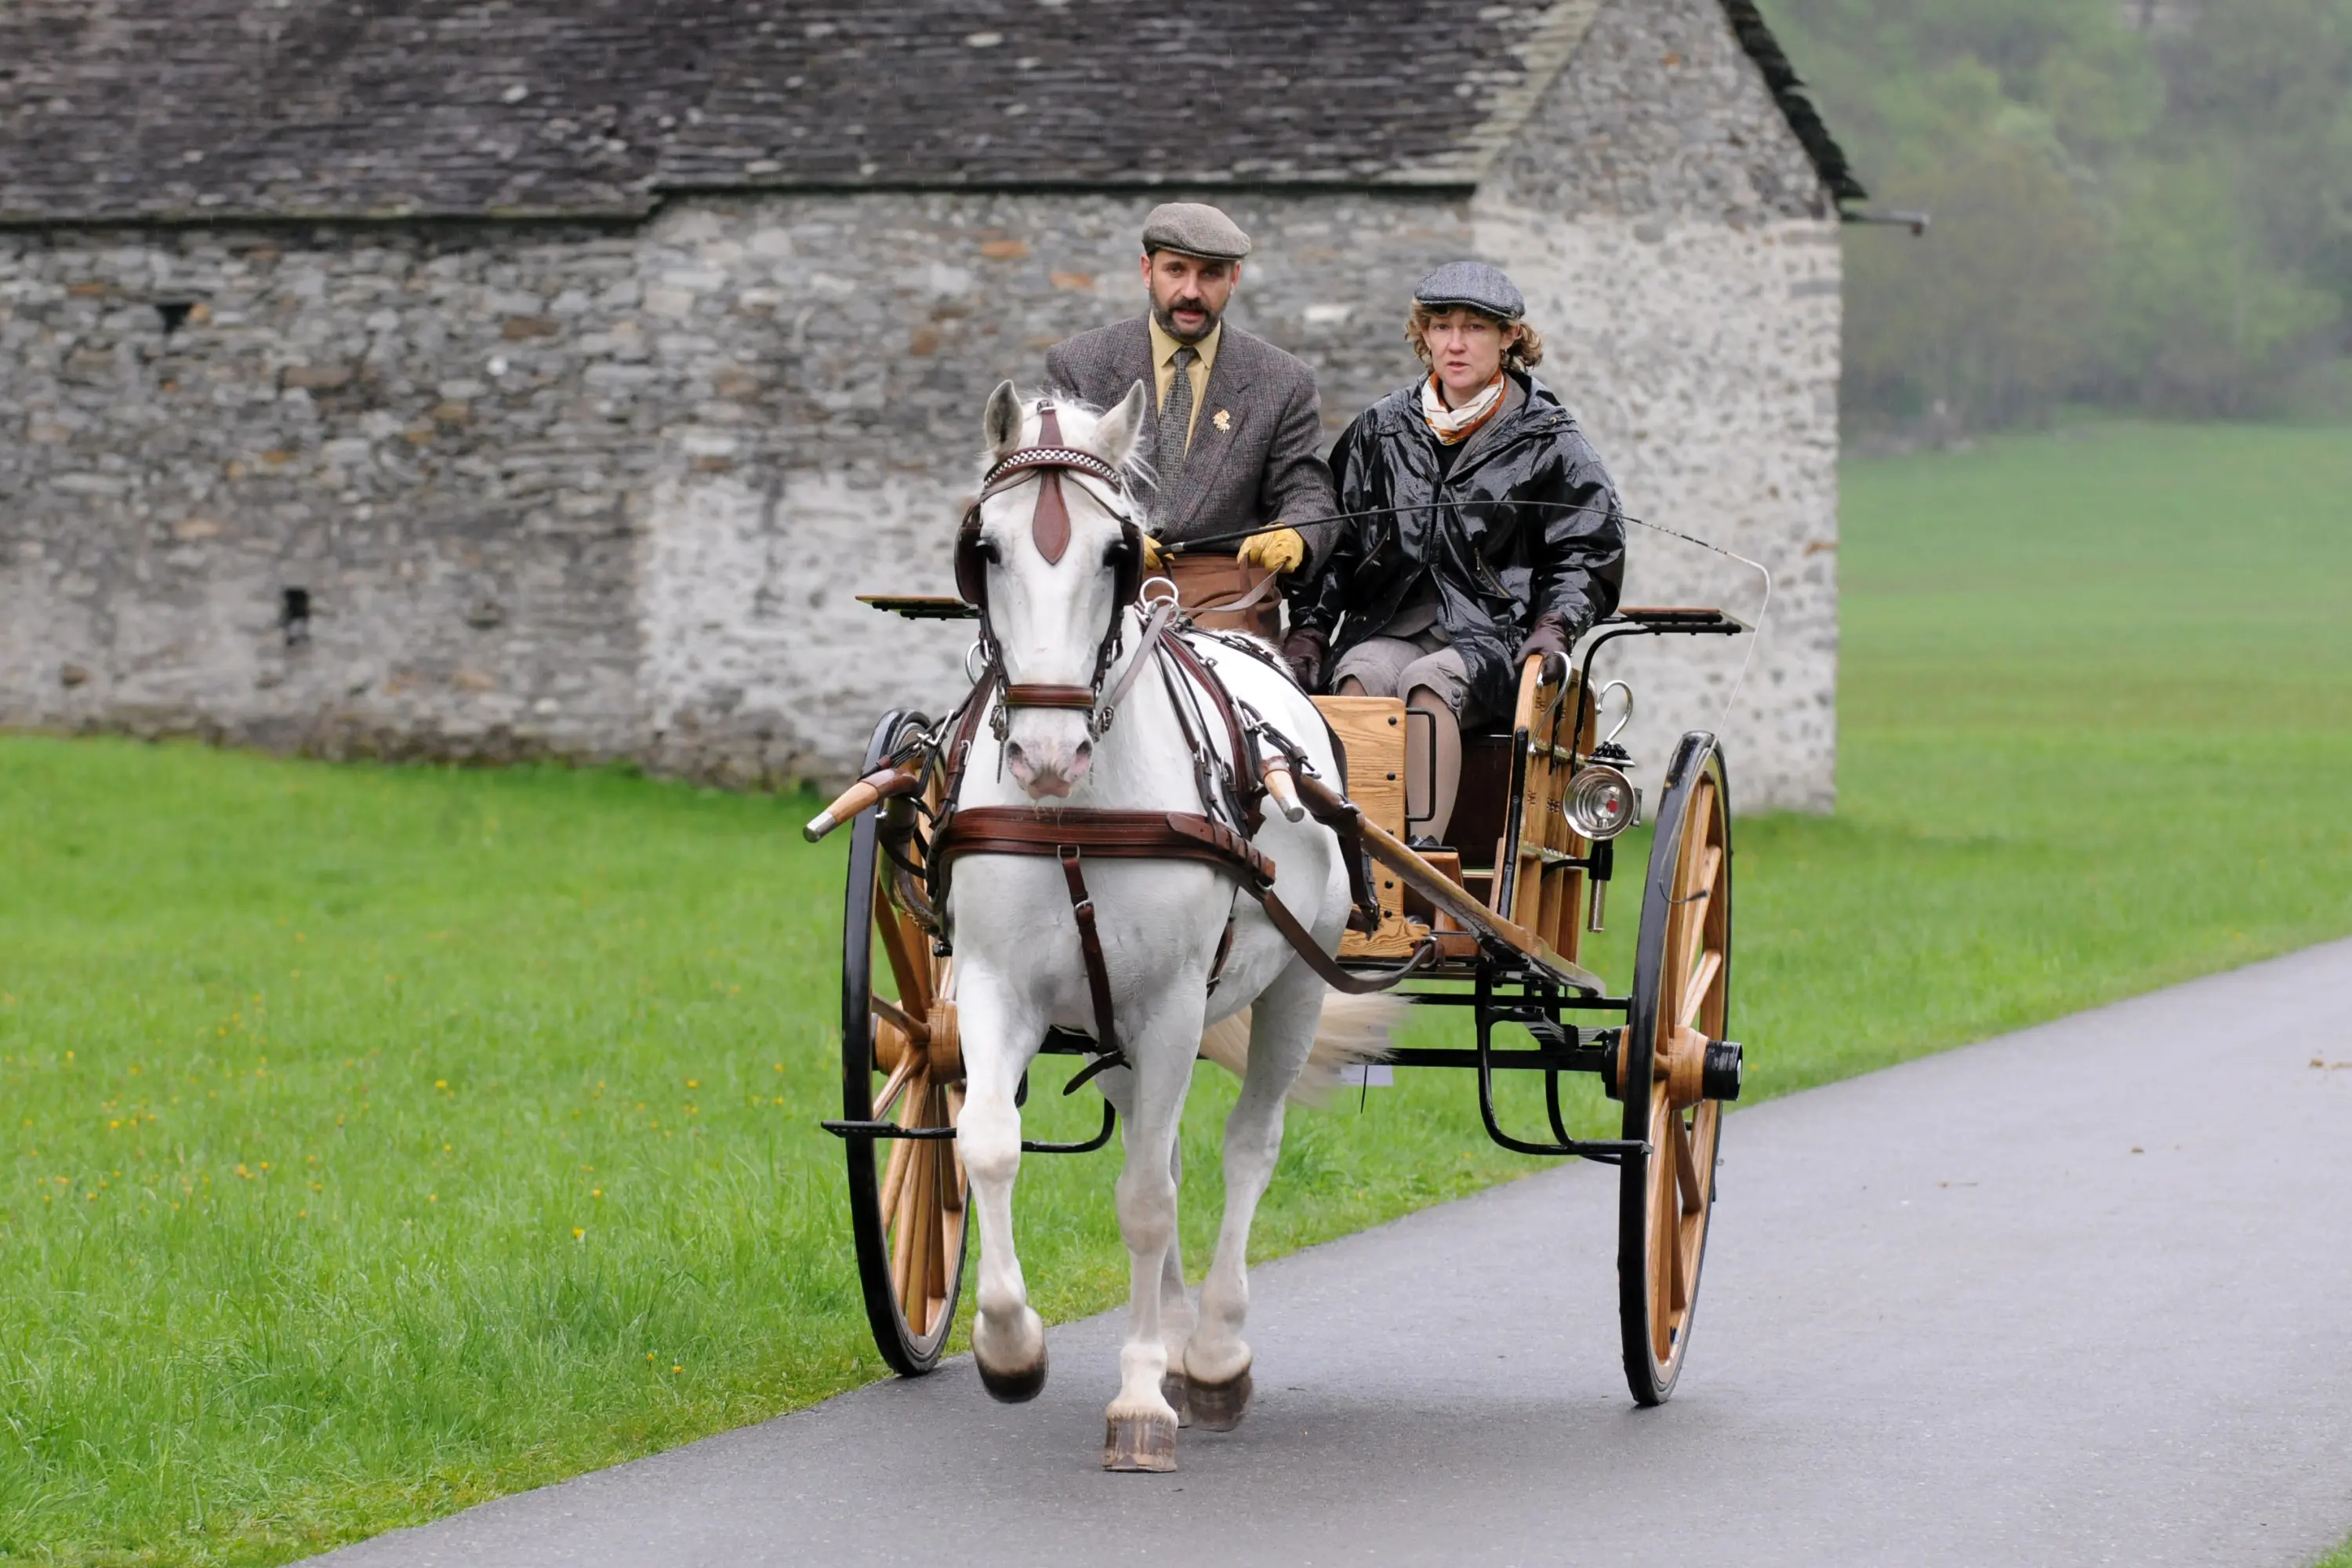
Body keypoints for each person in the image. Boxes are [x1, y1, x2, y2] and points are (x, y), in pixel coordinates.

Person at [1284, 262, 1626, 844]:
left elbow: (1586, 550)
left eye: (1475, 329)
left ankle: (1421, 863)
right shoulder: (1379, 430)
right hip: (1390, 623)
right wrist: (1313, 628)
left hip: (1495, 638)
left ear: (1509, 337)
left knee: (1428, 682)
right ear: (1424, 335)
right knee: (1360, 674)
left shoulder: (1551, 440)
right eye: (1442, 327)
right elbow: (1337, 548)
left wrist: (1555, 625)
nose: (1456, 343)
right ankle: (1351, 859)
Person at [1044, 202, 1338, 636]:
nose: (1191, 292)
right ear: (1147, 270)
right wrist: (1111, 533)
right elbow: (1053, 487)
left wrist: (1295, 531)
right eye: (1176, 270)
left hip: (1228, 594)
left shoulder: (1283, 380)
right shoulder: (1079, 364)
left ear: (1234, 279)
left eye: (1211, 274)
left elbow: (1307, 489)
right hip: (1101, 582)